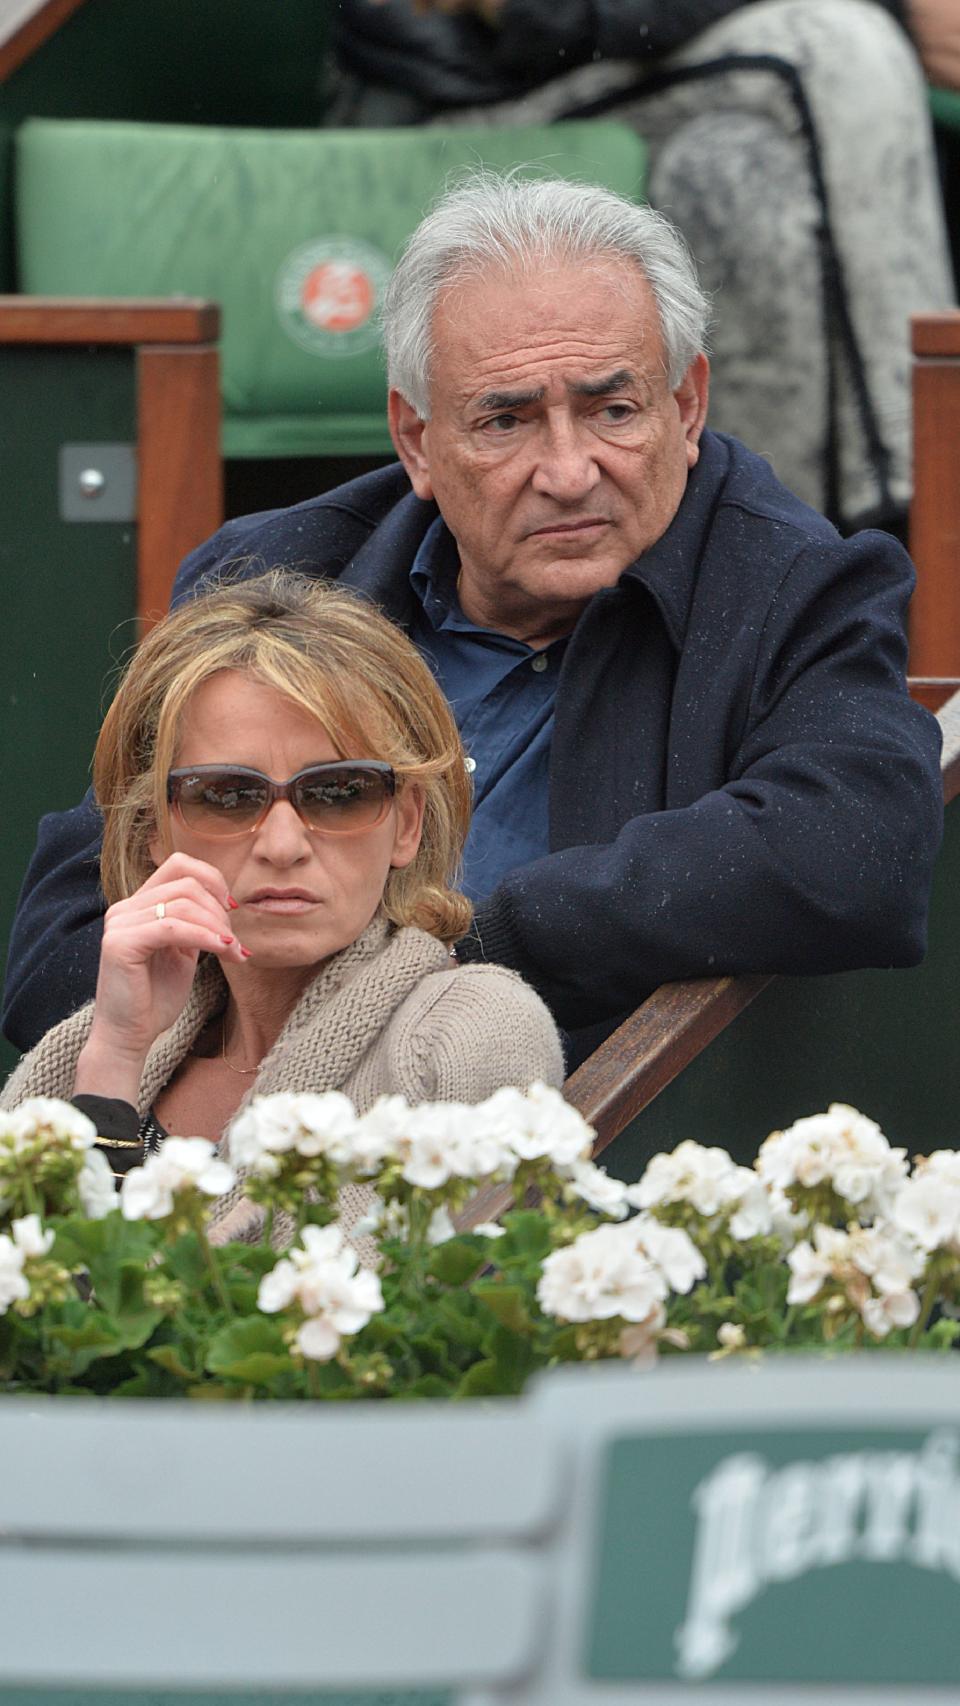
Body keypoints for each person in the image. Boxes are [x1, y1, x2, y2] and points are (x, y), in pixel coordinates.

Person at [2, 174, 944, 1072]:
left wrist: (456, 950)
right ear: (416, 439)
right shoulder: (280, 573)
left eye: (613, 410)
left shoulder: (793, 583)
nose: (568, 471)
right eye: (506, 423)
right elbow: (62, 946)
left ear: (687, 406)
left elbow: (855, 847)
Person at [0, 570, 564, 1239]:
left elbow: (376, 1304)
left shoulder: (466, 1032)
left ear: (407, 824)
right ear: (154, 827)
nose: (283, 844)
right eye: (227, 795)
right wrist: (114, 1064)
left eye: (339, 792)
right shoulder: (85, 1049)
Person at [328, 0, 956, 532]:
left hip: (651, 69)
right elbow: (544, 17)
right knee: (841, 43)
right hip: (452, 85)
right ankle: (931, 480)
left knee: (734, 173)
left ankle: (769, 546)